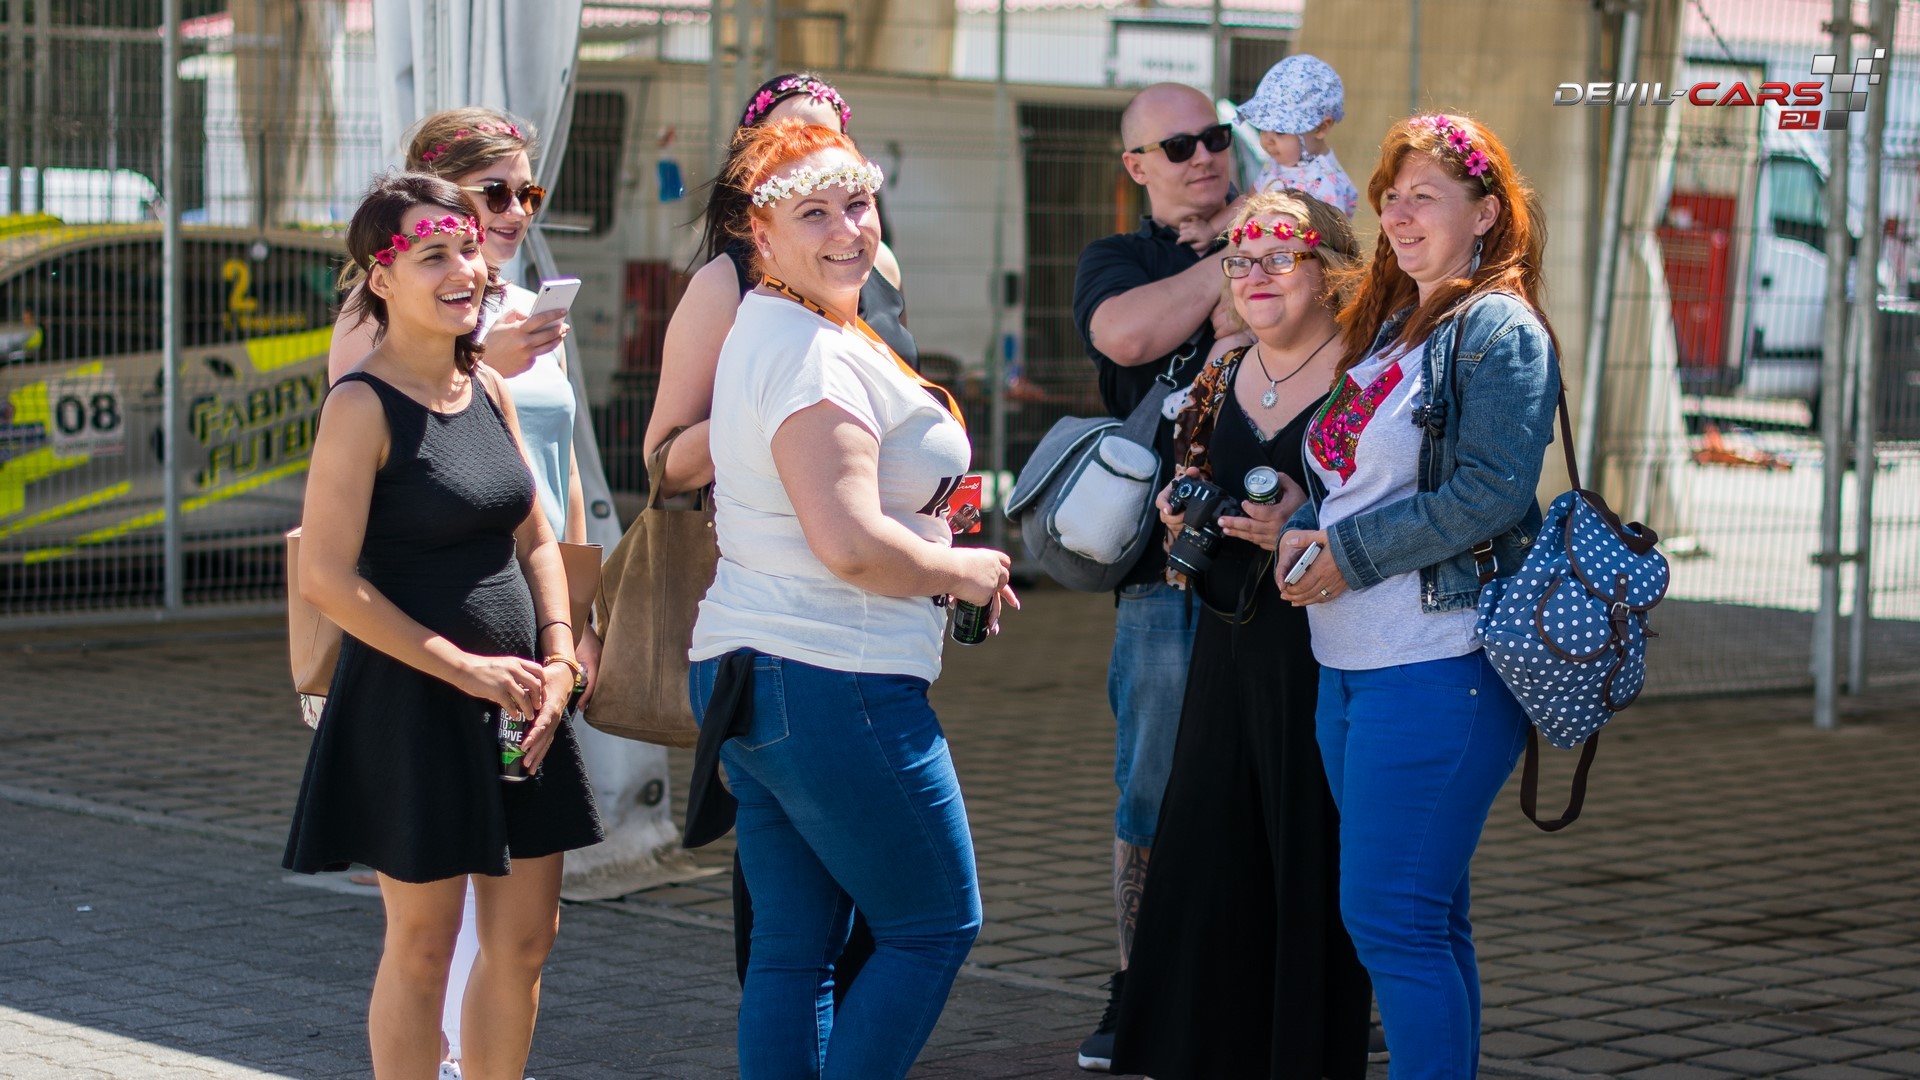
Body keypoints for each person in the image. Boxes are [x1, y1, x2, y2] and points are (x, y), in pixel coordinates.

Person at [687, 118, 1013, 1079]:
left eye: (858, 205)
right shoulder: (811, 352)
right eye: (815, 214)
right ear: (760, 233)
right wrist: (964, 571)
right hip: (833, 676)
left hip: (761, 676)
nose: (847, 231)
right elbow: (851, 546)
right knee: (932, 926)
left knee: (795, 949)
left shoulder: (785, 325)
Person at [285, 172, 604, 1080]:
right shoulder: (360, 404)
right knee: (423, 947)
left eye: (469, 249)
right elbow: (326, 579)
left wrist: (558, 655)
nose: (465, 269)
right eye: (435, 255)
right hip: (413, 703)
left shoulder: (489, 388)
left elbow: (535, 538)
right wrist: (464, 669)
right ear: (381, 279)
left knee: (528, 940)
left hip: (523, 701)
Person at [1276, 113, 1561, 1078]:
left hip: (1440, 666)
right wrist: (1299, 522)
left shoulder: (1497, 329)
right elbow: (1357, 478)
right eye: (1391, 198)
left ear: (1485, 214)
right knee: (1425, 919)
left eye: (1424, 198)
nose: (1398, 216)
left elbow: (1490, 493)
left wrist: (1348, 555)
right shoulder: (1398, 322)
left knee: (1390, 920)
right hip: (1351, 664)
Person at [646, 71, 905, 996]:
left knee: (868, 894)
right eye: (784, 145)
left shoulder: (873, 267)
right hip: (783, 618)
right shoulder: (725, 284)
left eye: (829, 143)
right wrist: (770, 405)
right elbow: (661, 459)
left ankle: (846, 1044)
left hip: (881, 614)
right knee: (805, 917)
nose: (808, 159)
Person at [1110, 190, 1372, 1080]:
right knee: (1212, 847)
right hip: (1223, 644)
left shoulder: (1365, 375)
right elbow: (1194, 466)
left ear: (1329, 270)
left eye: (1279, 257)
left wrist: (1307, 522)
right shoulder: (1225, 367)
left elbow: (1392, 507)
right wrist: (1181, 503)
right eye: (1239, 260)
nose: (1255, 275)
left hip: (1324, 653)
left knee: (1307, 851)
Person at [1068, 80, 1239, 1072]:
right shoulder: (1120, 258)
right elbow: (1126, 338)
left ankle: (1286, 980)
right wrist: (1236, 257)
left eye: (1214, 136)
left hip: (1287, 562)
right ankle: (1139, 986)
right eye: (1177, 147)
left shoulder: (1297, 235)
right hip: (1160, 575)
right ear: (1136, 166)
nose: (1203, 155)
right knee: (1153, 786)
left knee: (1290, 780)